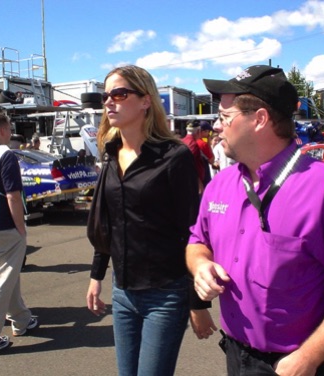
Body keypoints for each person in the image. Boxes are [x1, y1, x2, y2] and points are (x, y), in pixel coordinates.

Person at [186, 65, 324, 376]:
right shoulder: (220, 185)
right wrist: (200, 265)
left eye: (225, 117)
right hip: (234, 354)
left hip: (296, 364)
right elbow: (197, 242)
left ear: (260, 119)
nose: (215, 126)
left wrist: (308, 358)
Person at [86, 65, 200, 376]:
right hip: (122, 293)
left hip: (165, 294)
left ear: (146, 101)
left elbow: (192, 232)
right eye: (105, 96)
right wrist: (97, 276)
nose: (109, 102)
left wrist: (197, 303)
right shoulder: (110, 156)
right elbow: (106, 224)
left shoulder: (174, 158)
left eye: (120, 94)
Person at [0, 112, 38, 355]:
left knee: (5, 275)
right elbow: (13, 196)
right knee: (0, 281)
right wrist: (21, 228)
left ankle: (21, 318)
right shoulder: (5, 155)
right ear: (3, 130)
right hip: (3, 225)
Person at [182, 120, 205, 193]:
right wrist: (198, 182)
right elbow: (189, 164)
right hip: (192, 182)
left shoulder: (182, 141)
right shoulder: (193, 144)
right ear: (198, 131)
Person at [197, 120, 215, 187]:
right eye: (209, 132)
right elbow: (212, 160)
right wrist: (209, 143)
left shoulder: (192, 141)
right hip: (203, 175)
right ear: (204, 131)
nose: (209, 134)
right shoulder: (203, 144)